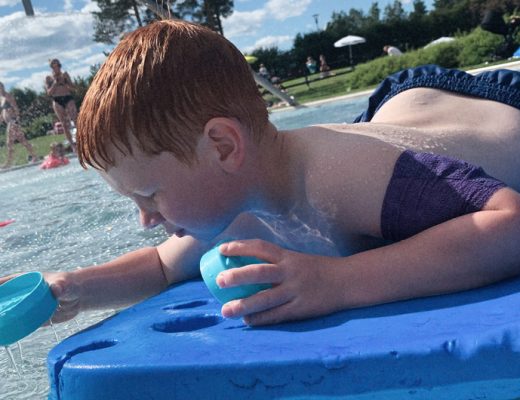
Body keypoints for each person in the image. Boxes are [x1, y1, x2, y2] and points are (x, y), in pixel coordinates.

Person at [2, 21, 520, 328]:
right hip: (392, 116)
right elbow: (160, 267)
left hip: (492, 107)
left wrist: (337, 282)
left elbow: (507, 223)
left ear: (223, 147)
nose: (145, 219)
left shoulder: (336, 178)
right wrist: (72, 287)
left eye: (150, 195)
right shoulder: (235, 198)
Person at [0, 82, 38, 168]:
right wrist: (1, 118)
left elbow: (16, 108)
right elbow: (3, 111)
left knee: (9, 142)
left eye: (0, 87)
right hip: (10, 122)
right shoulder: (1, 98)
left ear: (3, 87)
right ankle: (34, 156)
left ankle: (8, 162)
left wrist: (16, 120)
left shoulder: (8, 96)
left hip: (13, 121)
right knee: (22, 140)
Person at [45, 59, 77, 152]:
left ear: (59, 66)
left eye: (57, 66)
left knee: (75, 119)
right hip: (57, 100)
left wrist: (65, 83)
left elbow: (73, 88)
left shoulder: (65, 75)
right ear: (51, 68)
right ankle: (72, 145)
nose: (56, 69)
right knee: (64, 124)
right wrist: (55, 83)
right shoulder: (49, 78)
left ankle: (81, 139)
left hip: (67, 97)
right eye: (53, 67)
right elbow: (49, 93)